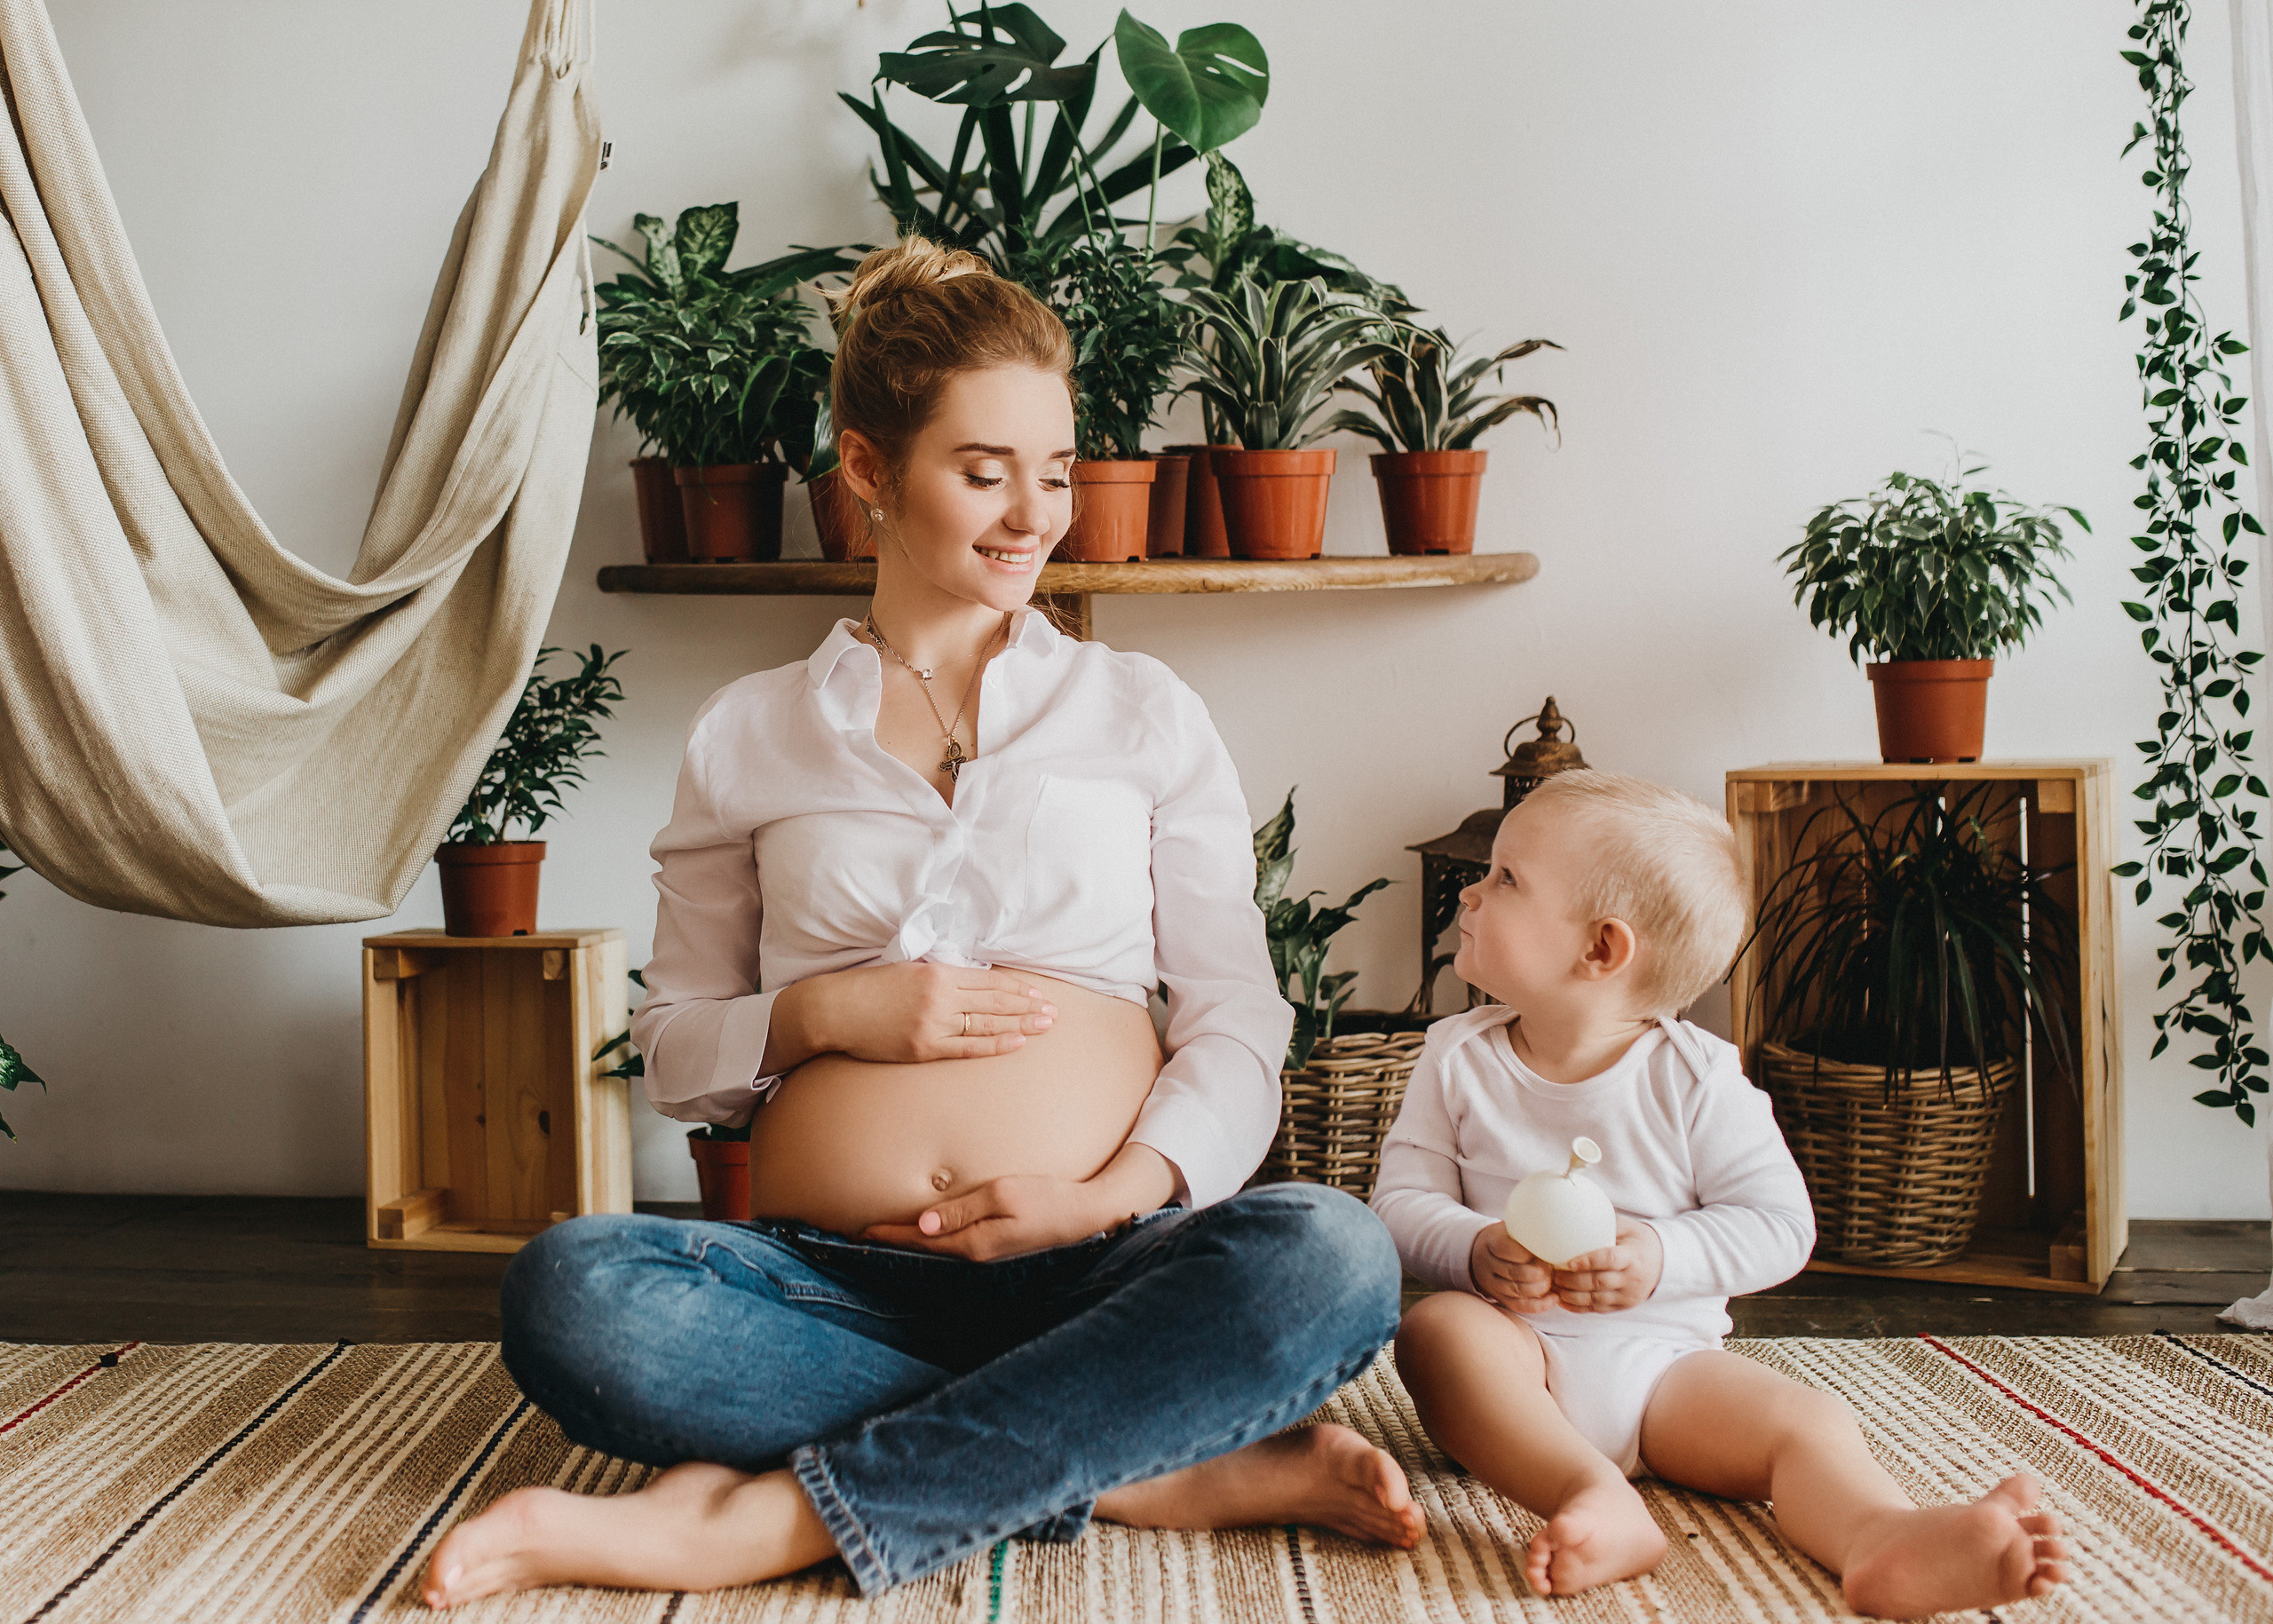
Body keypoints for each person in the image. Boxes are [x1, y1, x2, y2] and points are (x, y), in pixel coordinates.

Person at [421, 238, 1418, 1610]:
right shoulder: (749, 733)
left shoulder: (1141, 715)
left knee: (1332, 1256)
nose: (1034, 515)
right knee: (572, 1291)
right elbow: (676, 1051)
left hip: (1107, 1264)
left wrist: (1110, 1192)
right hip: (834, 1284)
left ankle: (755, 1525)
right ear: (869, 470)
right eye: (983, 468)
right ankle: (1127, 1456)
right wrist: (828, 1013)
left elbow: (1239, 1016)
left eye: (1056, 471)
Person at [1373, 770, 2071, 1617]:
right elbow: (1400, 1205)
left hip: (1671, 1372)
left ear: (1602, 948)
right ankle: (1590, 1493)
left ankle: (1880, 1535)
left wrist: (1661, 1256)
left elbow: (1782, 1225)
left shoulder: (1697, 1074)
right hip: (1521, 1360)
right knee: (1435, 1334)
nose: (1471, 893)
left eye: (1505, 878)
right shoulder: (1455, 1055)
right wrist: (1475, 1249)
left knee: (1805, 1421)